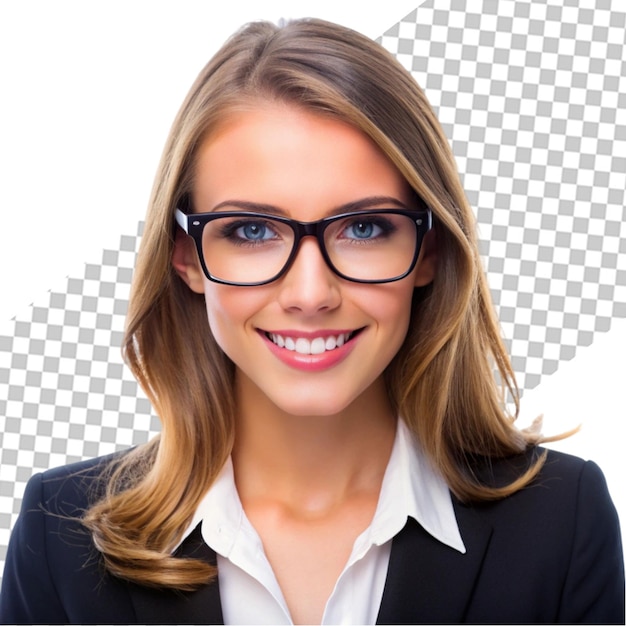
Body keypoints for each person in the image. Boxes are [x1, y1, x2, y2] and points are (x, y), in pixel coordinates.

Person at [0, 17, 623, 625]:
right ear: (186, 257)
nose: (309, 293)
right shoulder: (60, 534)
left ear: (428, 251)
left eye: (363, 228)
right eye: (251, 231)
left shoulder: (560, 521)